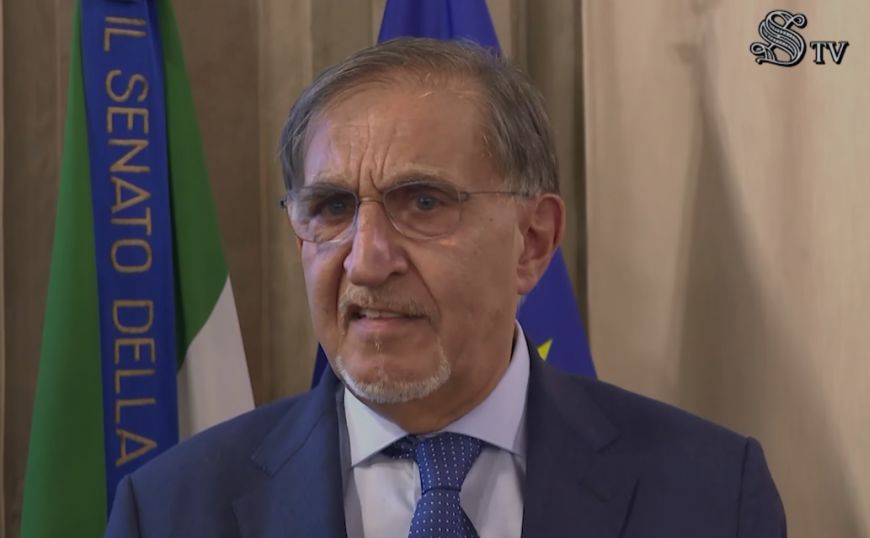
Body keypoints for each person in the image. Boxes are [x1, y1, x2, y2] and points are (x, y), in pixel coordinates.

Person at [104, 37, 786, 537]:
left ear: (532, 241)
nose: (366, 262)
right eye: (333, 209)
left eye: (423, 203)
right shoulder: (168, 510)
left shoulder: (711, 493)